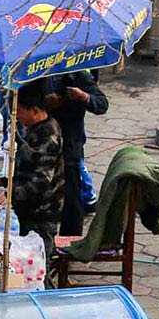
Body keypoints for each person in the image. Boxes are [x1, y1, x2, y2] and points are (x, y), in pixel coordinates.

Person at [2, 81, 65, 267]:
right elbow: (28, 170)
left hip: (43, 212)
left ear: (35, 110)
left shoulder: (48, 135)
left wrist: (10, 195)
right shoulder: (34, 129)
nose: (17, 116)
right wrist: (4, 181)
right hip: (29, 208)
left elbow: (41, 180)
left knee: (36, 266)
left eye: (20, 111)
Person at [43, 70, 108, 235]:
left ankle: (70, 242)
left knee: (71, 197)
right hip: (41, 145)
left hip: (69, 145)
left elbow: (102, 104)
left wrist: (83, 97)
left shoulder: (78, 75)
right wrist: (44, 102)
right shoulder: (38, 72)